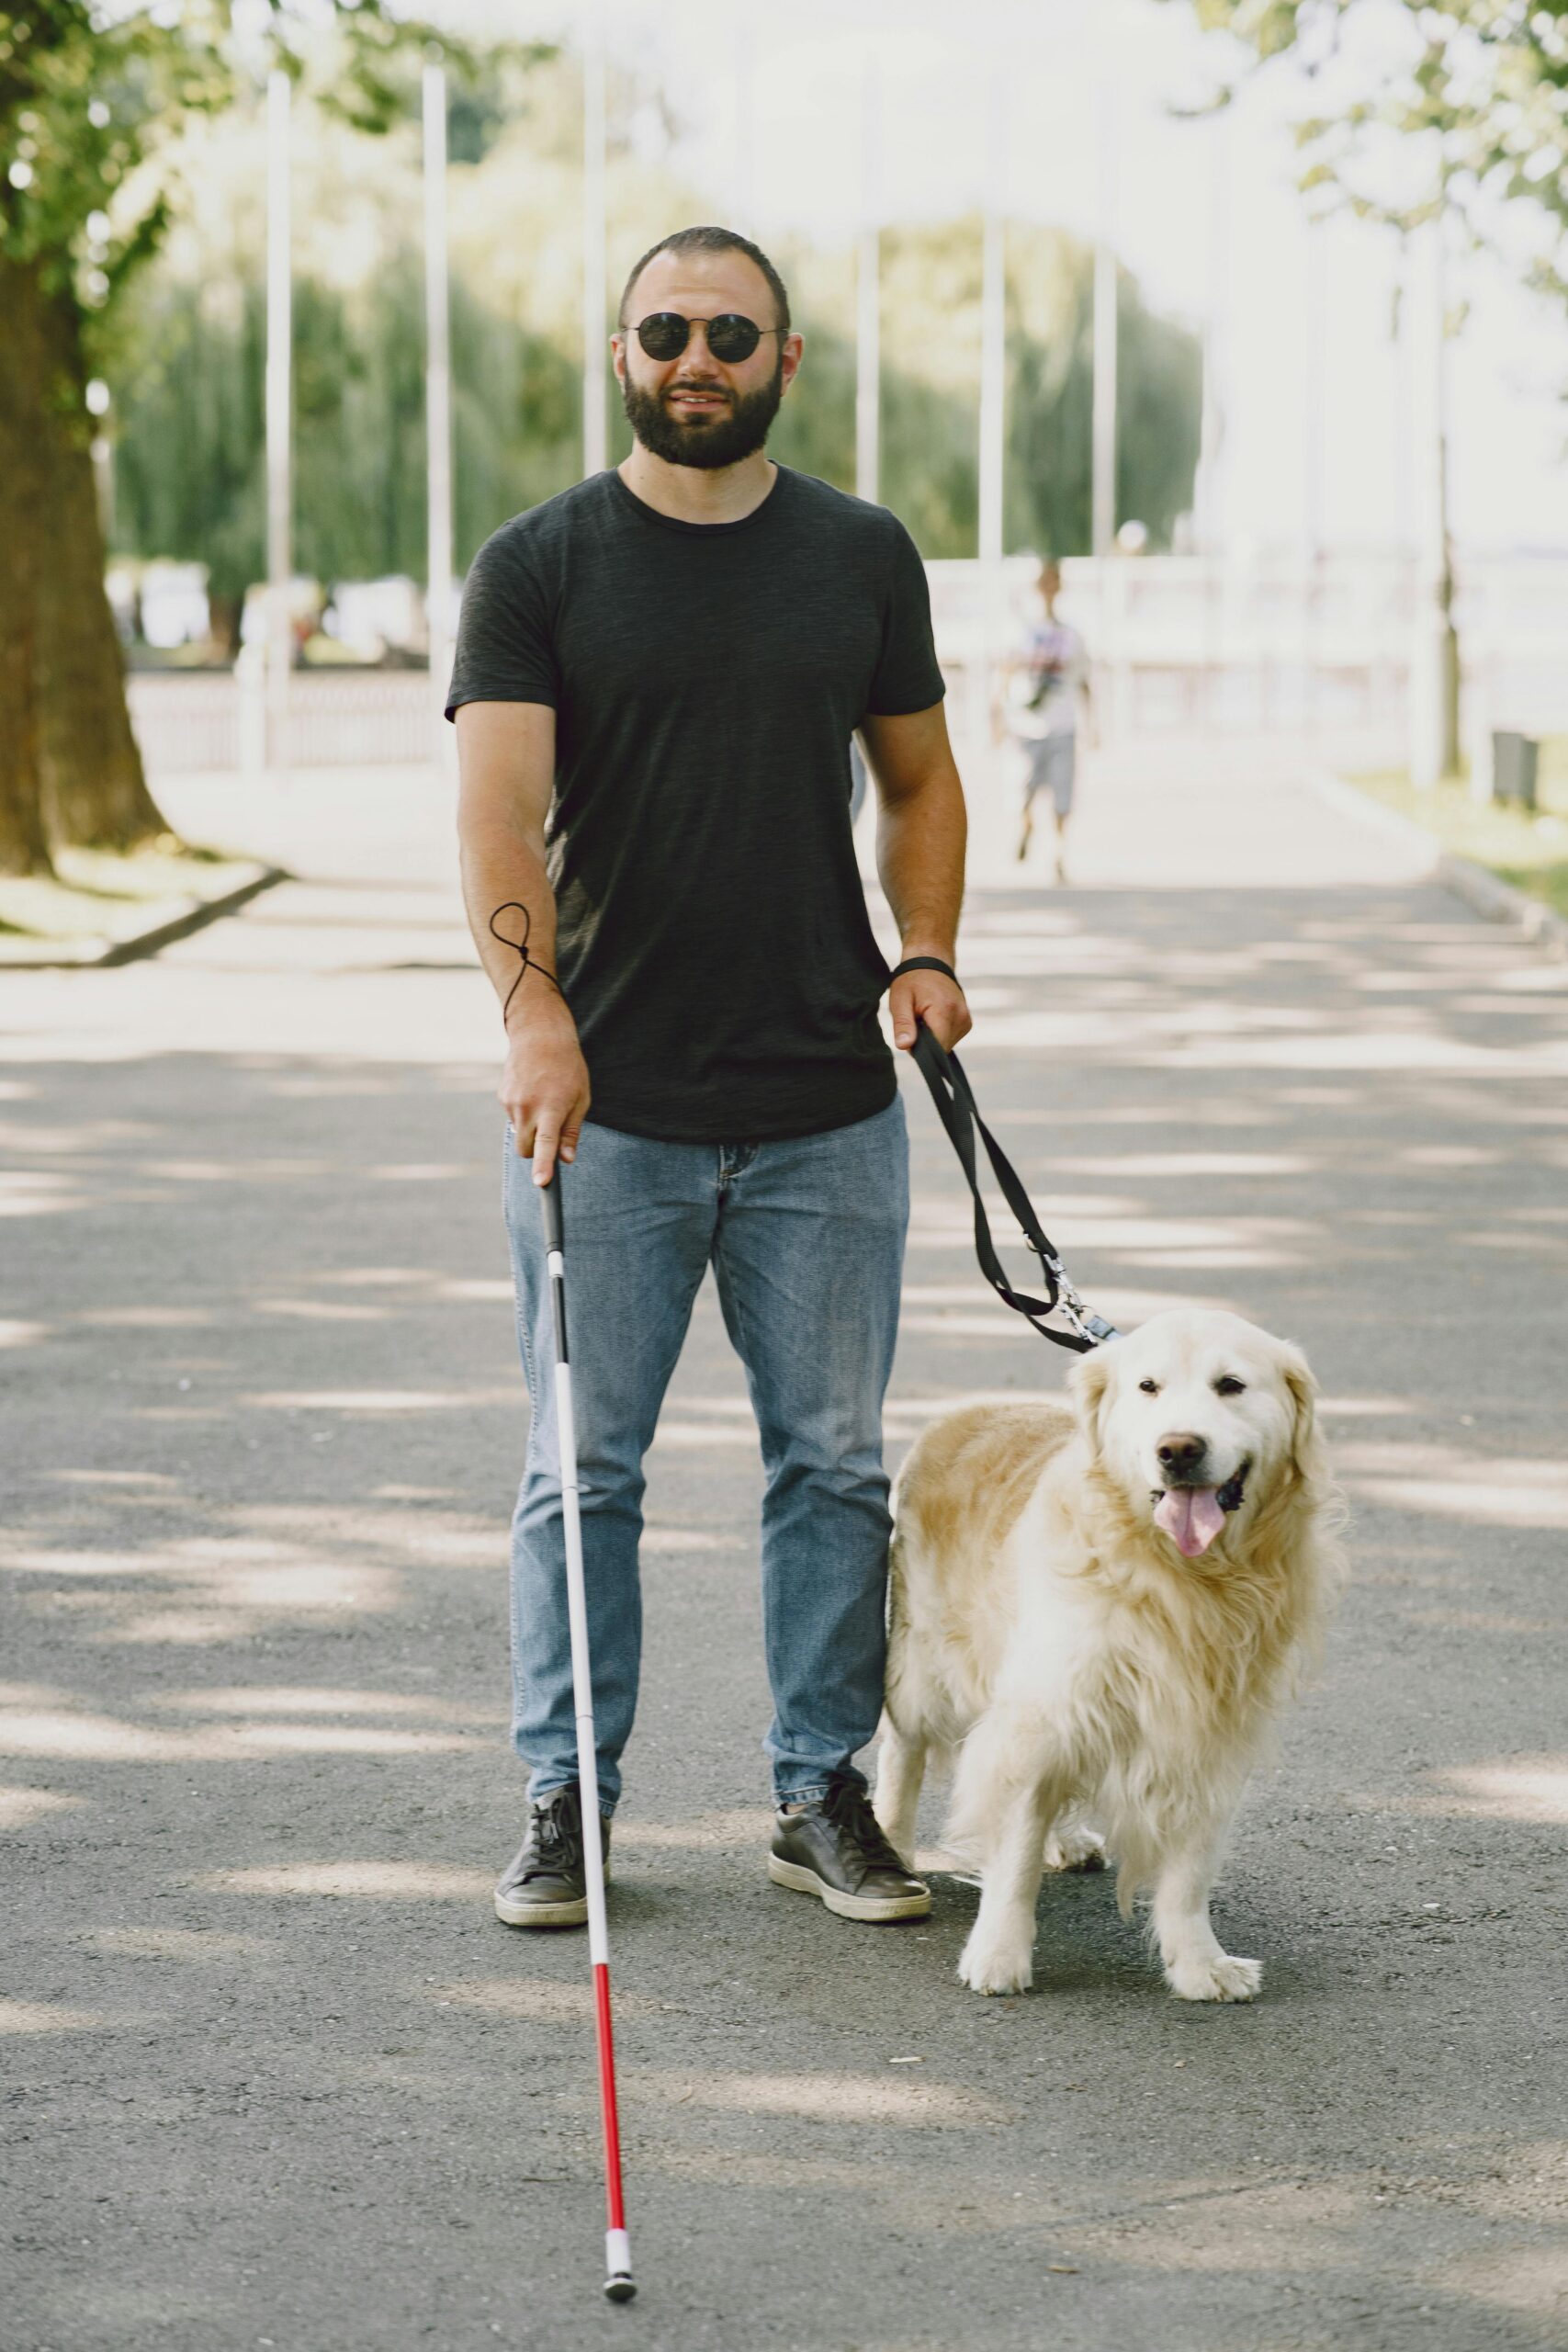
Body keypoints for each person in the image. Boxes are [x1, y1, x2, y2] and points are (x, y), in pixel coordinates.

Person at [448, 225, 970, 1933]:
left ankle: (818, 1789)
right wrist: (534, 1018)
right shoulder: (539, 564)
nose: (695, 356)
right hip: (606, 1112)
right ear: (620, 353)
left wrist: (930, 947)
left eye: (728, 333)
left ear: (784, 360)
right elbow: (496, 811)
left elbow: (918, 780)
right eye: (662, 328)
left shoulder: (858, 556)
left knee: (829, 1463)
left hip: (826, 1101)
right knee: (576, 1467)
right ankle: (567, 1801)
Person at [1004, 556, 1090, 878]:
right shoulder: (1022, 631)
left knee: (1062, 795)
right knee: (1022, 793)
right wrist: (997, 716)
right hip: (1026, 728)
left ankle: (1058, 853)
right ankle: (1026, 826)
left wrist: (1092, 724)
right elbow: (1006, 671)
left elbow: (1083, 680)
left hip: (1062, 725)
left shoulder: (1072, 635)